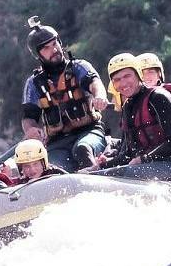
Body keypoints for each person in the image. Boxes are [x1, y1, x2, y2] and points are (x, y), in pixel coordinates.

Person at [20, 16, 110, 171]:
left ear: (60, 43)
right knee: (54, 169)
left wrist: (100, 96)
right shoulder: (33, 83)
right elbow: (29, 117)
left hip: (90, 132)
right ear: (38, 55)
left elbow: (95, 84)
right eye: (46, 48)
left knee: (82, 150)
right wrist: (30, 130)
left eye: (54, 44)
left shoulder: (79, 67)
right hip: (57, 142)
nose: (54, 50)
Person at [98, 52, 171, 169]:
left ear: (138, 75)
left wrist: (144, 159)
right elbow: (129, 155)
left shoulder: (158, 97)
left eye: (127, 76)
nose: (123, 83)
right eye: (117, 80)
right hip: (147, 166)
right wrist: (101, 166)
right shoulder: (127, 106)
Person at [0, 138, 65, 186]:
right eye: (27, 166)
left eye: (35, 164)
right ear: (21, 169)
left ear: (43, 163)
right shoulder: (22, 182)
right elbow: (6, 186)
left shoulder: (56, 174)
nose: (32, 170)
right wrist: (5, 177)